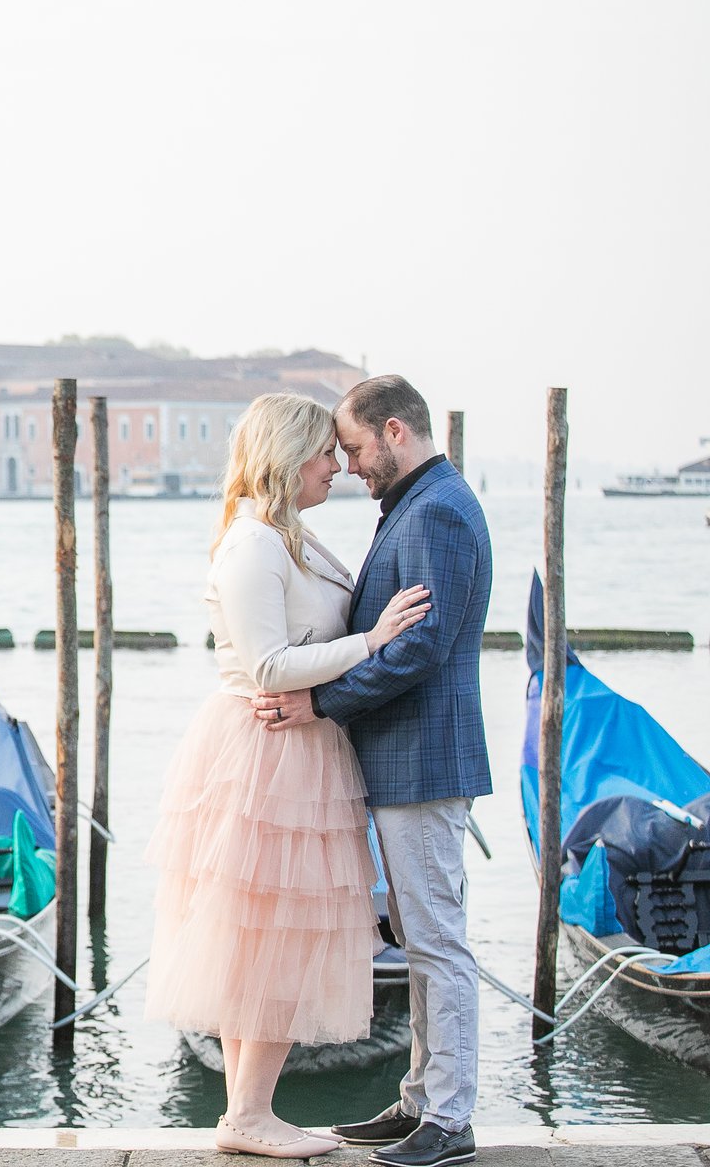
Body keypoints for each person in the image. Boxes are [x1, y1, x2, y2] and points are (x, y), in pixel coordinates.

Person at [146, 392, 432, 1160]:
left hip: (299, 748)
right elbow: (270, 665)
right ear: (287, 456)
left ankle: (247, 1112)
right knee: (271, 937)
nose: (338, 465)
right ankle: (249, 1114)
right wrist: (372, 642)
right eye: (324, 454)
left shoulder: (287, 536)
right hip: (266, 752)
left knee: (269, 937)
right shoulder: (255, 545)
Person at [255, 375, 492, 1167]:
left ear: (395, 431)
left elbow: (420, 648)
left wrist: (319, 704)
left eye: (354, 448)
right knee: (422, 938)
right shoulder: (420, 505)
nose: (350, 466)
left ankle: (448, 1119)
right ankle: (420, 1101)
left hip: (423, 759)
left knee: (436, 943)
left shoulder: (440, 512)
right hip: (403, 759)